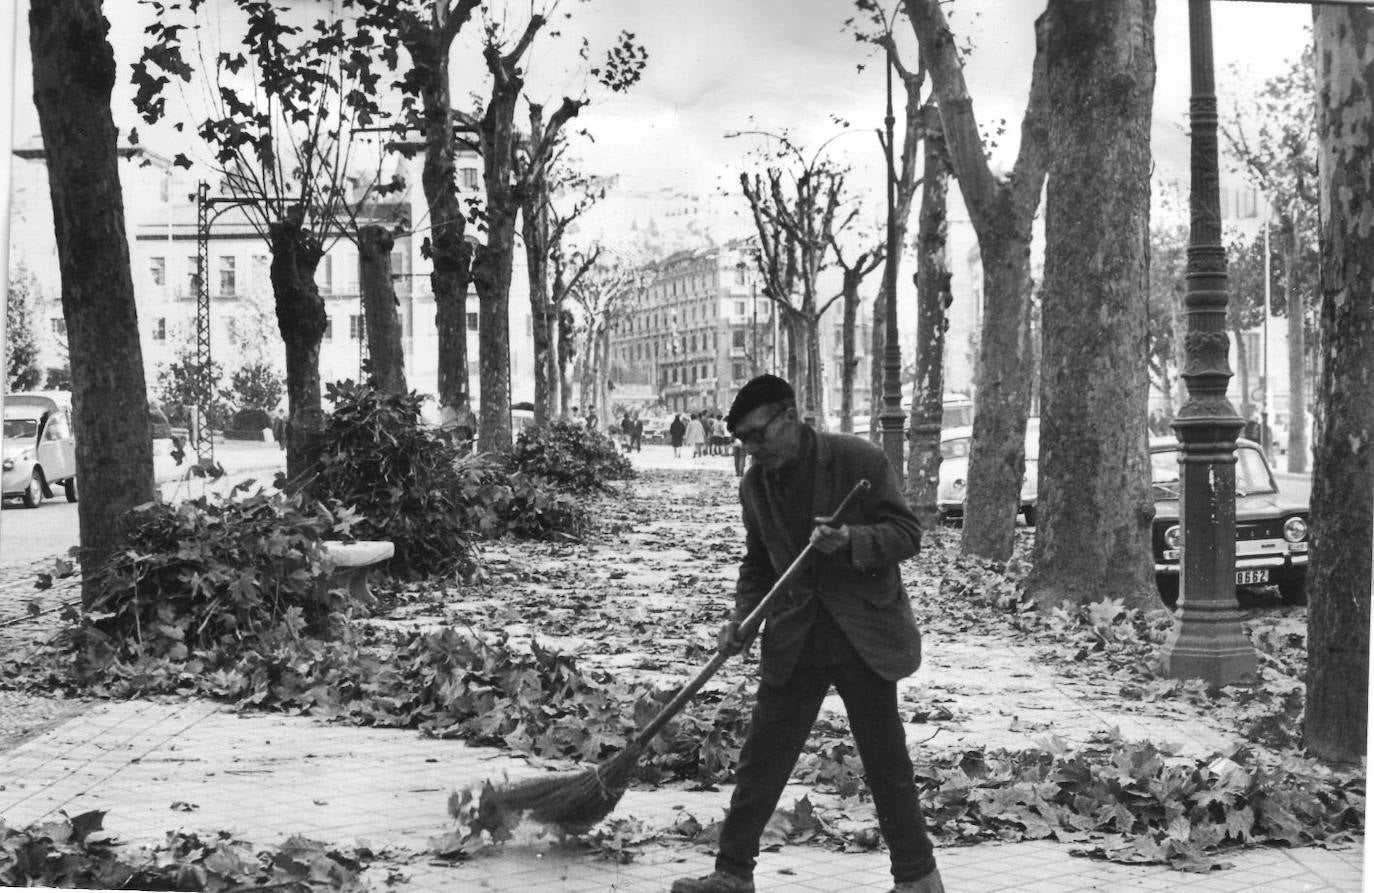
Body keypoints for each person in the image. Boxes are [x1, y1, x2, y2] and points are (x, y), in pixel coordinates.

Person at [672, 374, 943, 893]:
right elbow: (758, 563)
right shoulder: (755, 484)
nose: (750, 450)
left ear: (789, 417)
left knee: (886, 764)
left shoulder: (856, 461)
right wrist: (742, 619)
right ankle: (731, 875)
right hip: (796, 635)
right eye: (742, 441)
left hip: (861, 632)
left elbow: (907, 535)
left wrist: (850, 540)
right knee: (761, 762)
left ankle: (919, 880)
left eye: (757, 435)